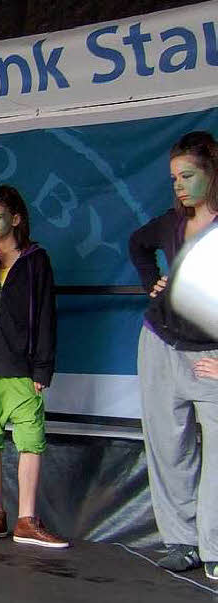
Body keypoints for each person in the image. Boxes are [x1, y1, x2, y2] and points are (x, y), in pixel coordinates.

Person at [129, 131, 218, 580]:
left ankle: (215, 545)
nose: (179, 185)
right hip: (161, 342)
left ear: (212, 173)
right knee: (169, 446)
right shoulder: (169, 224)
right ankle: (182, 541)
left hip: (211, 355)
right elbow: (137, 244)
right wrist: (151, 280)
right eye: (174, 178)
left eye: (188, 176)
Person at [0, 185, 68, 548]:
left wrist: (42, 368)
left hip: (20, 366)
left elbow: (45, 316)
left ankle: (27, 519)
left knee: (30, 440)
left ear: (16, 219)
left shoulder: (37, 260)